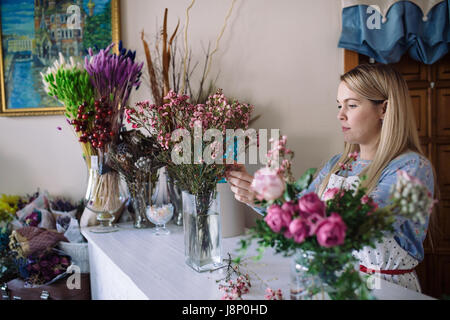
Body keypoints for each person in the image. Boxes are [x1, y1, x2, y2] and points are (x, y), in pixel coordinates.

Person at [226, 63, 436, 292]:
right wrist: (259, 195)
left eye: (352, 105)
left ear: (383, 109)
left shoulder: (411, 167)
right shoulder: (338, 164)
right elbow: (299, 209)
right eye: (339, 105)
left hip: (387, 290)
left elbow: (360, 224)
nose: (340, 115)